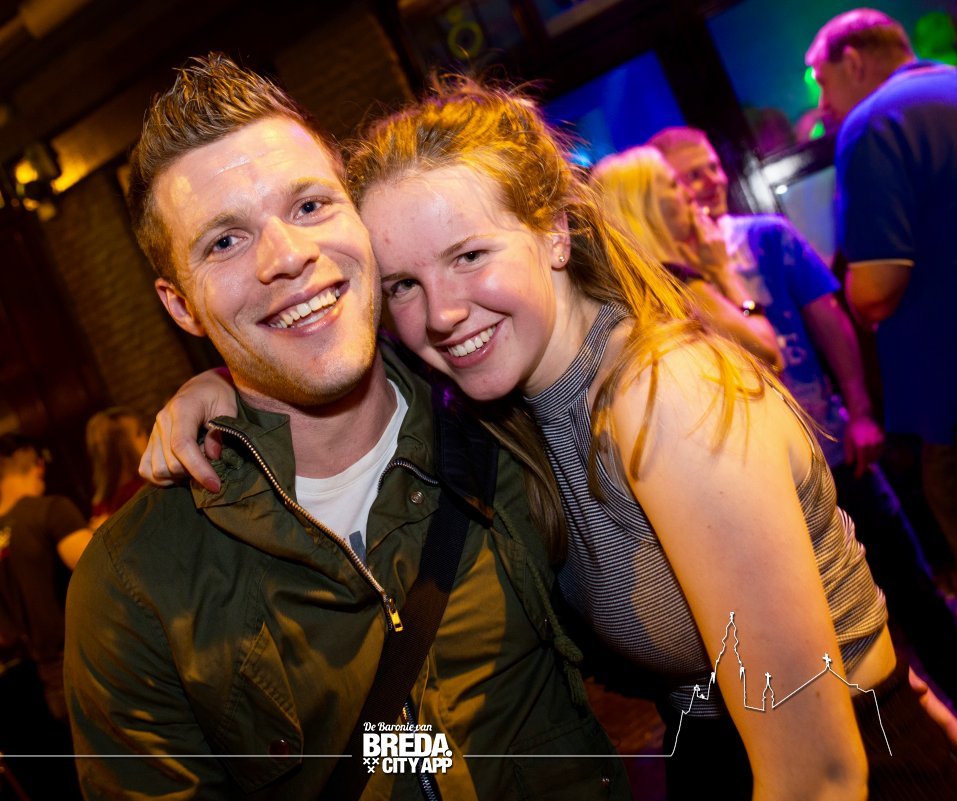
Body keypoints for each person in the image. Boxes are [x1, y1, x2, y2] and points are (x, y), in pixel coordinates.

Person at [144, 77, 957, 798]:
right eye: (403, 284)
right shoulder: (502, 414)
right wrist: (226, 385)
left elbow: (818, 772)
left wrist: (888, 703)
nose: (441, 312)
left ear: (553, 230)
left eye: (470, 255)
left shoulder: (662, 396)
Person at [63, 54, 627, 801]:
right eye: (224, 242)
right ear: (180, 305)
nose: (287, 257)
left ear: (359, 220)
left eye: (309, 206)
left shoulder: (512, 425)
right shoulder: (134, 587)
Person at [652, 123, 957, 763]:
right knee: (832, 623)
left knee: (910, 585)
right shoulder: (670, 272)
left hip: (834, 450)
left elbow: (832, 321)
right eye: (687, 175)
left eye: (710, 166)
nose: (706, 181)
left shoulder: (765, 238)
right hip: (764, 484)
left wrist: (861, 411)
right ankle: (895, 749)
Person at [807, 6, 957, 684]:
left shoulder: (875, 122)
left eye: (822, 83)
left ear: (854, 61)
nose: (822, 105)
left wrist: (851, 288)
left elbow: (875, 287)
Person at [589, 145, 783, 370]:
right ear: (646, 207)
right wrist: (724, 271)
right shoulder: (677, 284)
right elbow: (769, 354)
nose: (689, 195)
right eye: (674, 185)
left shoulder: (634, 290)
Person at [0, 433, 92, 720]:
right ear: (39, 465)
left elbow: (1, 634)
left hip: (54, 682)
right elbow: (102, 570)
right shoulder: (52, 511)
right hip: (98, 664)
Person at [84, 407, 149, 529]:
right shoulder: (144, 491)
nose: (147, 436)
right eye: (139, 433)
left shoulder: (100, 505)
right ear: (123, 449)